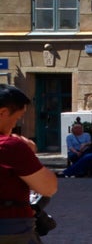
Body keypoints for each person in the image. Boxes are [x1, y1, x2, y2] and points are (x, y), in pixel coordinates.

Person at [0, 85, 57, 241]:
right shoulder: (10, 146)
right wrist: (29, 153)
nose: (15, 125)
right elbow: (48, 187)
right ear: (3, 112)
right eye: (17, 118)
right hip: (10, 226)